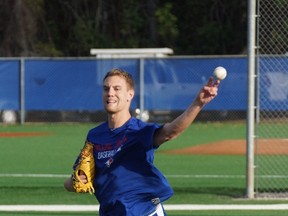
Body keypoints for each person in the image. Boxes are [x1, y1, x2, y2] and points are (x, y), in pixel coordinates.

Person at [64, 68, 220, 215]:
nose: (110, 93)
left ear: (129, 95)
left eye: (117, 89)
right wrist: (74, 181)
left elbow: (170, 132)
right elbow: (76, 181)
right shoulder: (95, 136)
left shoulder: (139, 131)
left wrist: (198, 104)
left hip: (144, 212)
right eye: (106, 89)